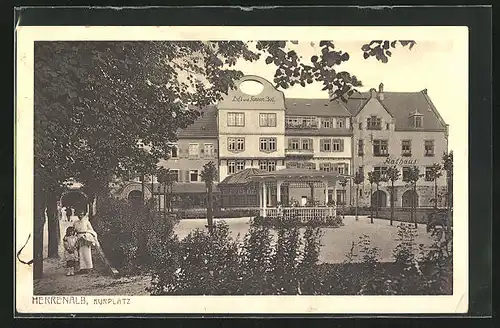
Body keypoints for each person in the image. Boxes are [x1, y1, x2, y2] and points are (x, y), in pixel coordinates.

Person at [73, 208, 97, 274]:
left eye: (81, 215)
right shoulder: (75, 223)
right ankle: (82, 268)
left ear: (83, 215)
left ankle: (89, 267)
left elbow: (91, 230)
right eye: (79, 215)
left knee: (87, 252)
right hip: (78, 238)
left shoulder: (87, 222)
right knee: (80, 253)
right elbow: (73, 231)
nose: (80, 216)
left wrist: (86, 236)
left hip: (85, 238)